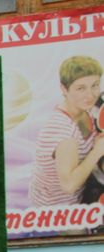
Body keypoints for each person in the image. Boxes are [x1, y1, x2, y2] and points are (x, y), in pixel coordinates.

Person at [29, 55, 104, 207]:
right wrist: (97, 151)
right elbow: (69, 186)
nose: (90, 95)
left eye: (95, 85)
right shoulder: (63, 133)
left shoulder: (83, 108)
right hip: (57, 209)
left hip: (82, 193)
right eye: (81, 88)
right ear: (64, 89)